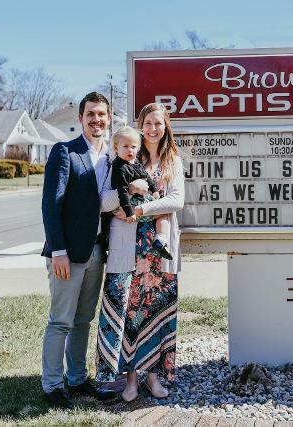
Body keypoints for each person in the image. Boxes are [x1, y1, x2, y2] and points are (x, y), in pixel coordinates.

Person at [96, 103, 184, 402]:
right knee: (129, 313)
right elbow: (104, 200)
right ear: (140, 124)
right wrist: (130, 193)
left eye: (158, 123)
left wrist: (142, 208)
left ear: (165, 126)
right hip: (127, 249)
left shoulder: (172, 160)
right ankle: (131, 380)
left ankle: (154, 378)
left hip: (158, 251)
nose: (153, 128)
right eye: (148, 122)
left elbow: (177, 200)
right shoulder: (125, 153)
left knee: (156, 310)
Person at [40, 92, 116, 409]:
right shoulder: (65, 152)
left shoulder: (112, 158)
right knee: (61, 321)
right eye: (90, 114)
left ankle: (77, 378)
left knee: (84, 319)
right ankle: (53, 386)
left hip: (98, 251)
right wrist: (58, 250)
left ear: (109, 118)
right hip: (67, 253)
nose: (96, 119)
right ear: (80, 118)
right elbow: (51, 205)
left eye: (101, 114)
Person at [99, 126, 173, 260]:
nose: (130, 150)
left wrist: (155, 190)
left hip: (137, 202)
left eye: (133, 147)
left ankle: (160, 240)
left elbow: (147, 177)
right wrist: (129, 212)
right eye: (125, 146)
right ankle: (105, 243)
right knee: (163, 212)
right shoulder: (119, 166)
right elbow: (122, 191)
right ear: (116, 148)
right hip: (126, 205)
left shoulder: (135, 162)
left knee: (164, 210)